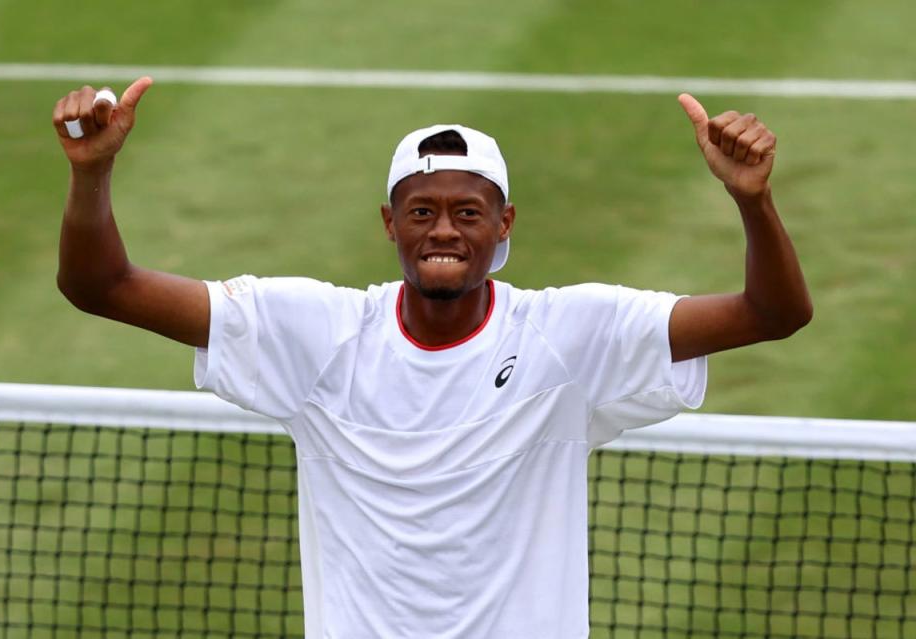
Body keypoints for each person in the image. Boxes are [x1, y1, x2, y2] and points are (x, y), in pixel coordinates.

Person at [53, 77, 812, 638]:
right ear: (391, 223)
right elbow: (101, 285)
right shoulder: (314, 334)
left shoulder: (572, 334)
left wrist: (753, 199)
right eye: (423, 211)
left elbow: (773, 314)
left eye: (466, 212)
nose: (443, 229)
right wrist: (92, 174)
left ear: (503, 223)